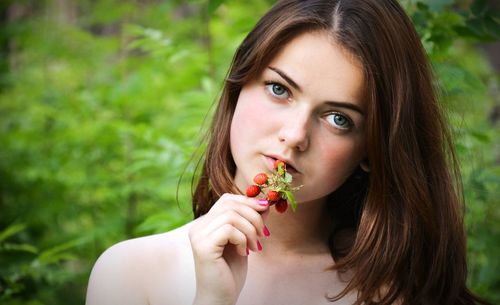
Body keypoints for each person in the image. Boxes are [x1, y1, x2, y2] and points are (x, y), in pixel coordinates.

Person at [85, 1, 489, 304]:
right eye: (279, 90)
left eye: (338, 118)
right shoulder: (130, 276)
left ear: (372, 149)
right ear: (238, 86)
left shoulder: (400, 290)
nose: (295, 135)